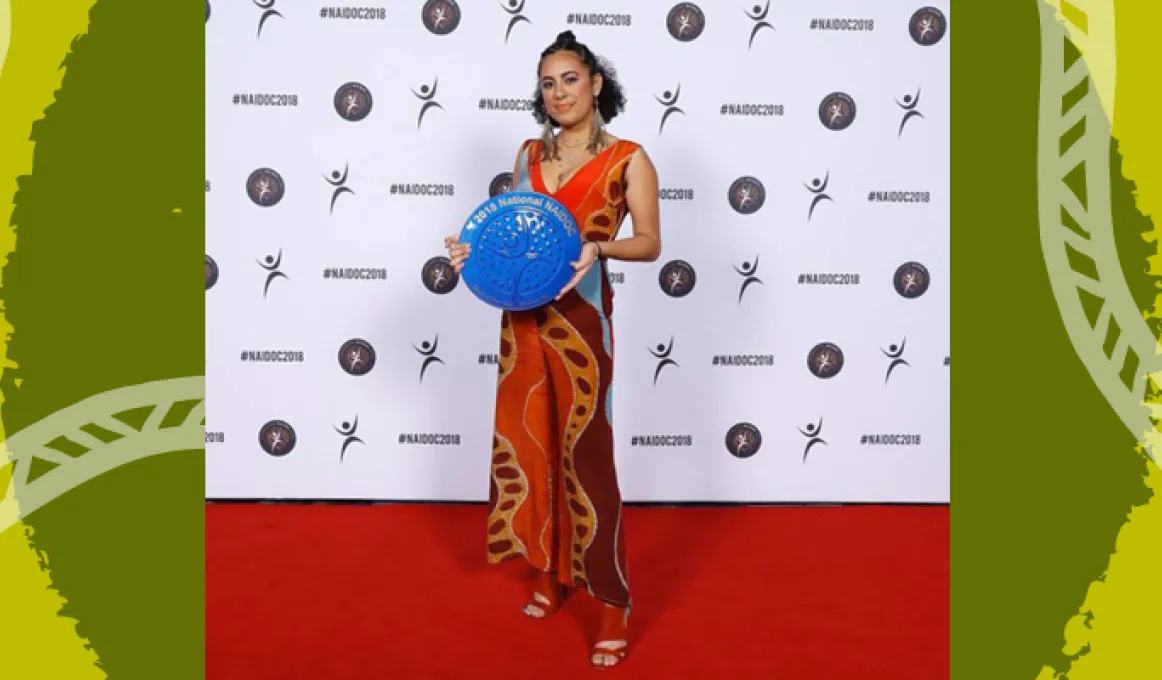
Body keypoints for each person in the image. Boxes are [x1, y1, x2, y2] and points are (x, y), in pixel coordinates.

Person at [444, 30, 661, 668]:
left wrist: (600, 248)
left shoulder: (630, 158)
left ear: (596, 84)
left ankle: (613, 602)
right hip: (522, 325)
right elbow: (513, 235)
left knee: (586, 460)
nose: (559, 92)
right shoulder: (526, 156)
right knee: (529, 445)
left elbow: (649, 242)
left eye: (571, 79)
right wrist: (470, 255)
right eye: (548, 82)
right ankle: (550, 573)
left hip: (583, 325)